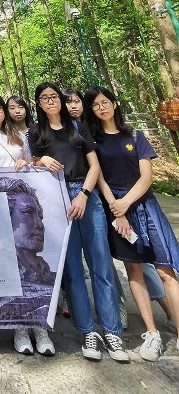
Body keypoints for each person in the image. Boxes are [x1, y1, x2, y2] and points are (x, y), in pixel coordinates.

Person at [28, 82, 129, 363]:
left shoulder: (77, 127)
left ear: (61, 100)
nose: (50, 101)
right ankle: (87, 331)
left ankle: (112, 331)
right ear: (39, 103)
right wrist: (41, 160)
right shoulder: (36, 132)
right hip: (56, 201)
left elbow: (94, 165)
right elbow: (31, 163)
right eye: (44, 98)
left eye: (53, 96)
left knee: (101, 264)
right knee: (72, 269)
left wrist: (84, 195)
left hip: (86, 196)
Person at [84, 86, 179, 361]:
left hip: (145, 206)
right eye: (95, 105)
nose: (101, 108)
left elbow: (147, 176)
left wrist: (126, 203)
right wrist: (118, 211)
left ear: (114, 104)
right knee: (133, 270)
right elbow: (99, 177)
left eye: (105, 102)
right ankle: (152, 332)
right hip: (117, 210)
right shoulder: (94, 140)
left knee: (165, 271)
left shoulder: (135, 136)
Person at [0, 94, 54, 357]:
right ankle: (19, 329)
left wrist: (26, 163)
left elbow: (31, 164)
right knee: (8, 265)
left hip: (23, 197)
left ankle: (40, 329)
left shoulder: (18, 135)